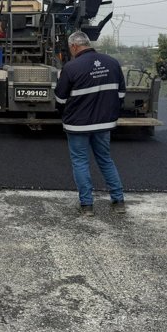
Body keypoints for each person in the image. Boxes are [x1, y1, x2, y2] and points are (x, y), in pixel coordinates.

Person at [54, 31, 127, 216]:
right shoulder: (112, 63)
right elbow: (121, 95)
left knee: (80, 162)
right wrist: (109, 113)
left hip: (78, 125)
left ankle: (87, 206)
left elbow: (60, 99)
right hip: (103, 124)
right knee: (105, 159)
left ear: (74, 46)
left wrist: (66, 115)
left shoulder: (71, 68)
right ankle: (118, 201)